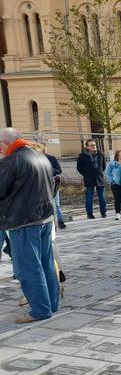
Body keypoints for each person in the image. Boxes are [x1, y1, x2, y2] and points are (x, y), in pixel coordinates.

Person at [0, 128, 59, 323]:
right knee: (46, 263)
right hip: (44, 218)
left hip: (23, 221)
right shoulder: (40, 156)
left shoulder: (11, 161)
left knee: (28, 268)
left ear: (6, 143)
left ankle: (41, 311)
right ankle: (51, 304)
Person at [34, 143, 66, 229]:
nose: (43, 152)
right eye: (41, 150)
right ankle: (48, 224)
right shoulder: (34, 160)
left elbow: (59, 171)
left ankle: (60, 222)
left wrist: (48, 168)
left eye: (44, 150)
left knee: (56, 204)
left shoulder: (52, 158)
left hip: (53, 185)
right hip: (40, 186)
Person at [76, 138, 107, 219]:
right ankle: (90, 214)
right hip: (89, 179)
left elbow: (103, 166)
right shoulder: (82, 156)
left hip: (99, 179)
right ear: (87, 147)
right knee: (89, 197)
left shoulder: (100, 155)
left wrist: (98, 172)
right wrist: (86, 174)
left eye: (94, 145)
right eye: (91, 145)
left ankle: (103, 212)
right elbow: (79, 168)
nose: (94, 146)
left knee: (102, 197)